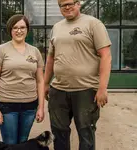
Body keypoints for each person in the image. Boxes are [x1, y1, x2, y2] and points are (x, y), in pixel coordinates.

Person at [44, 0, 112, 150]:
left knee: (86, 132)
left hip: (86, 90)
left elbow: (106, 56)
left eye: (70, 3)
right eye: (63, 5)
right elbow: (50, 58)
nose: (67, 7)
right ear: (59, 7)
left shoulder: (93, 24)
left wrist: (102, 88)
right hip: (59, 90)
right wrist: (45, 83)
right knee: (59, 131)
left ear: (78, 3)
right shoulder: (56, 27)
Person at [0, 14, 45, 144]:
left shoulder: (35, 52)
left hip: (30, 106)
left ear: (27, 29)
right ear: (10, 30)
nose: (19, 31)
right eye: (15, 28)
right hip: (8, 106)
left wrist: (41, 107)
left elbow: (40, 81)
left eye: (22, 27)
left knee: (23, 142)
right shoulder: (1, 50)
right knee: (10, 143)